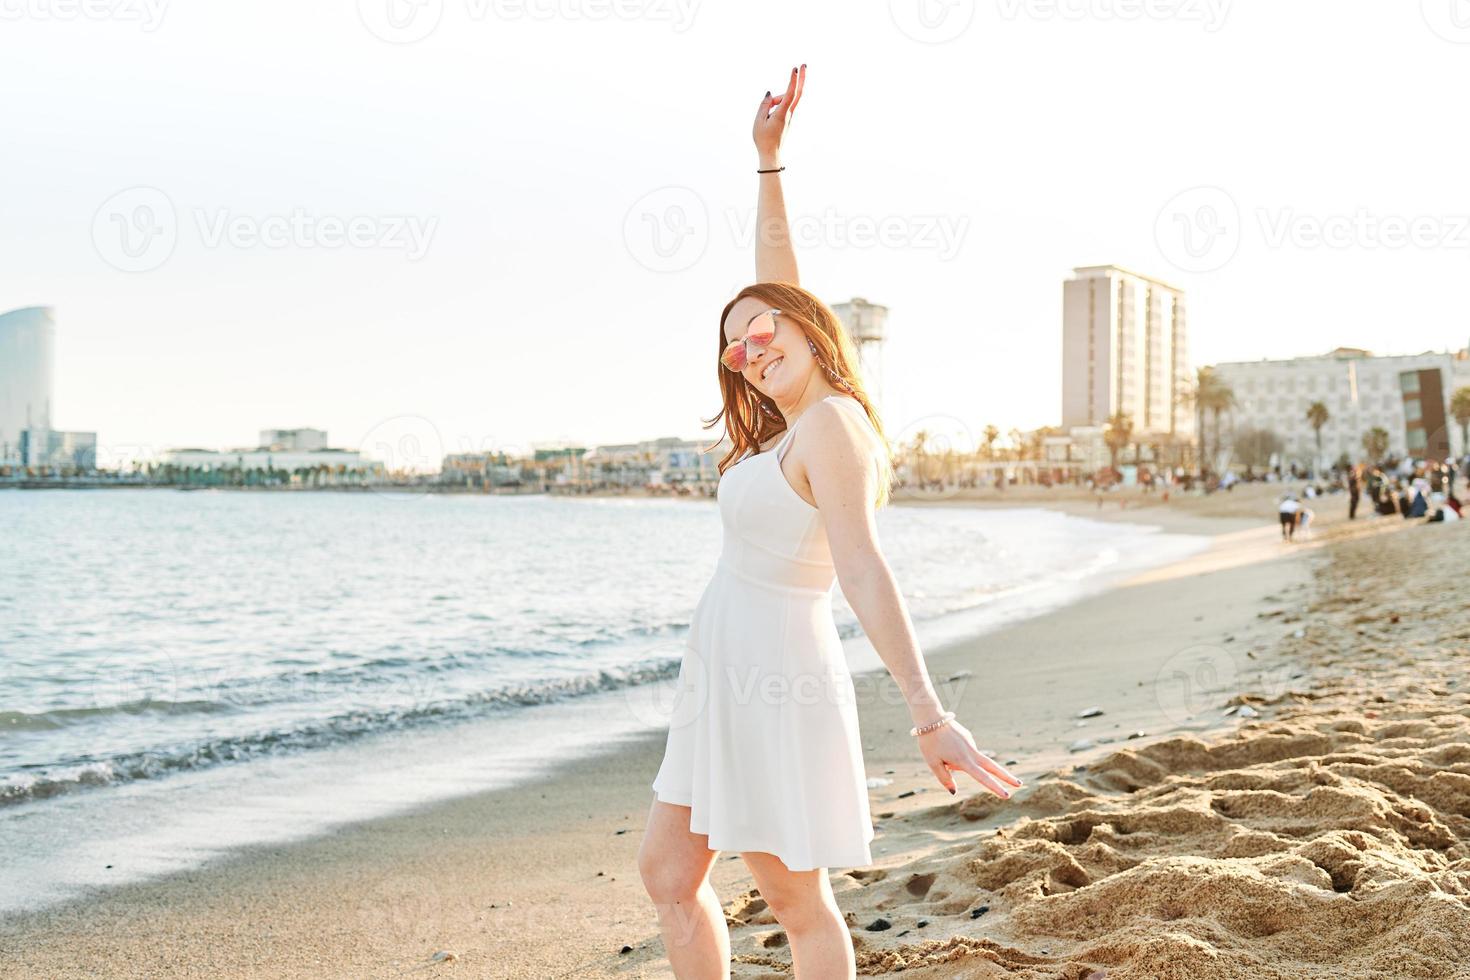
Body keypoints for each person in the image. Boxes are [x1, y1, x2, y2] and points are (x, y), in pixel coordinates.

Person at [638, 65, 1022, 979]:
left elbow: (863, 569)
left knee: (794, 901)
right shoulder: (786, 422)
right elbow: (772, 283)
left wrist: (930, 716)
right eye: (736, 342)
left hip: (776, 676)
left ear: (812, 330)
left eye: (766, 329)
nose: (749, 346)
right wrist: (767, 162)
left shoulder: (834, 424)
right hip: (721, 673)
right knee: (666, 872)